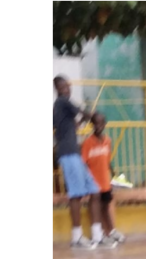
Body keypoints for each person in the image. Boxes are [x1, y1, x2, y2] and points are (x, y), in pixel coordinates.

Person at [54, 75, 98, 248]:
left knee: (94, 190)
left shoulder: (62, 108)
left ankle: (97, 234)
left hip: (74, 153)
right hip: (68, 154)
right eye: (63, 87)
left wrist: (84, 118)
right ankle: (77, 237)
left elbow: (76, 122)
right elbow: (82, 112)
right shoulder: (62, 102)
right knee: (76, 195)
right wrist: (92, 115)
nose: (67, 89)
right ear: (57, 89)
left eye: (68, 86)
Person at [79, 111, 124, 248]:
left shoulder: (107, 141)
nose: (98, 126)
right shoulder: (87, 143)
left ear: (105, 124)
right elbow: (83, 163)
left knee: (105, 207)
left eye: (101, 123)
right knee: (95, 208)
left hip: (105, 181)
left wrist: (114, 174)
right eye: (95, 124)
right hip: (94, 183)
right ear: (92, 125)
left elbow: (107, 160)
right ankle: (97, 235)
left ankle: (110, 231)